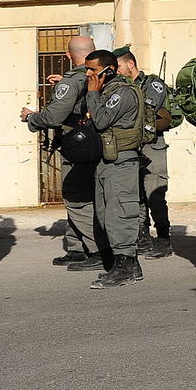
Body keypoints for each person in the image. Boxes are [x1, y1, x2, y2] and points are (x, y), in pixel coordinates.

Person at [21, 35, 102, 274]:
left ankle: (96, 251)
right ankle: (77, 247)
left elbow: (54, 116)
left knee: (77, 197)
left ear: (68, 56)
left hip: (78, 147)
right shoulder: (102, 75)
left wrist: (31, 117)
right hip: (95, 144)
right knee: (83, 196)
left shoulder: (72, 81)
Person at [84, 49, 146, 289]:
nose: (89, 74)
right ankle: (130, 264)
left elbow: (100, 120)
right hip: (106, 160)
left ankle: (125, 266)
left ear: (109, 71)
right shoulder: (107, 91)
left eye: (93, 70)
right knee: (105, 214)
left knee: (120, 212)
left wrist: (91, 93)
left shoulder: (122, 93)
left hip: (121, 160)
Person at [114, 46, 177, 259]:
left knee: (154, 193)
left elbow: (147, 107)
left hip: (152, 144)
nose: (117, 71)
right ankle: (142, 236)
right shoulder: (119, 86)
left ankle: (163, 238)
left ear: (130, 64)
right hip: (131, 145)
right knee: (136, 195)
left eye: (119, 66)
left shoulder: (153, 84)